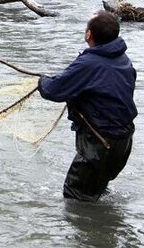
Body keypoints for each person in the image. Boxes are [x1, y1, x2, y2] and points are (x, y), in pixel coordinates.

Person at [38, 11, 137, 202]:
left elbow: (52, 90)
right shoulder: (123, 59)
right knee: (96, 194)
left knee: (75, 201)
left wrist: (42, 80)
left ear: (88, 35)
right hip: (123, 143)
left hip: (99, 145)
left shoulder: (88, 63)